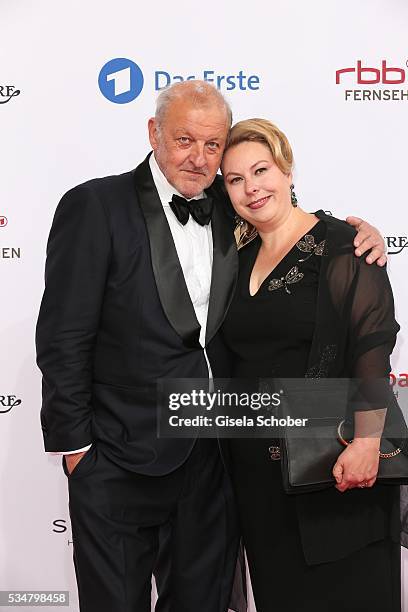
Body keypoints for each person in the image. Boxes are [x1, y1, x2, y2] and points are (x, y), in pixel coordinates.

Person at [35, 82, 387, 612]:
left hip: (214, 462)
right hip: (118, 457)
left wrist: (357, 234)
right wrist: (76, 449)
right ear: (153, 134)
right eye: (183, 140)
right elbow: (63, 335)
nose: (198, 159)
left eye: (212, 145)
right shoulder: (95, 205)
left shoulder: (229, 205)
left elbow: (291, 228)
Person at [218, 118, 402, 612]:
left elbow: (372, 349)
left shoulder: (344, 246)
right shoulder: (235, 254)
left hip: (337, 470)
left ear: (287, 168)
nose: (251, 187)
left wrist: (367, 441)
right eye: (235, 180)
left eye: (261, 170)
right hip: (259, 481)